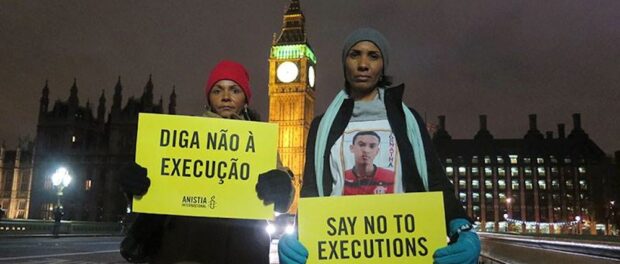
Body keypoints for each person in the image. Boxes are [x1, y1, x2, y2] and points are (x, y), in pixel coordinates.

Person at [277, 28, 481, 264]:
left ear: (383, 65)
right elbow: (312, 191)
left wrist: (460, 224)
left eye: (373, 56)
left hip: (401, 251)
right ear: (345, 63)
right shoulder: (322, 125)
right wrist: (297, 233)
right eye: (355, 55)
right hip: (340, 252)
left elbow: (435, 180)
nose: (363, 64)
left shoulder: (407, 119)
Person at [119, 60, 293, 263]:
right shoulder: (182, 135)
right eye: (217, 90)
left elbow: (285, 200)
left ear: (246, 98)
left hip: (242, 248)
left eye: (235, 90)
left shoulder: (262, 142)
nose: (226, 97)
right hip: (187, 248)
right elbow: (158, 186)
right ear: (209, 98)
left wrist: (282, 187)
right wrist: (134, 184)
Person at [344, 131, 395, 195]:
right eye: (361, 145)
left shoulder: (392, 178)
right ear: (352, 148)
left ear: (377, 151)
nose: (366, 150)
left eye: (372, 146)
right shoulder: (342, 179)